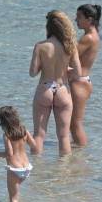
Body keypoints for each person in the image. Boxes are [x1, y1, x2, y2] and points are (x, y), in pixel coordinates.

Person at [29, 10, 81, 155]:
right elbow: (78, 73)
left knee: (39, 135)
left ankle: (36, 169)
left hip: (44, 88)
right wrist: (65, 69)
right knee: (63, 136)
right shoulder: (71, 47)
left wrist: (43, 65)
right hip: (62, 89)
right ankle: (62, 172)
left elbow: (33, 73)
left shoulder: (40, 46)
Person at [0, 106, 36, 202]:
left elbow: (9, 154)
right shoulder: (24, 130)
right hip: (26, 168)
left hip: (15, 169)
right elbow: (34, 145)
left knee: (13, 197)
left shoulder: (7, 135)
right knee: (14, 191)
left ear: (4, 122)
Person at [69, 4, 100, 147]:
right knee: (72, 124)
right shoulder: (91, 35)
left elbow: (69, 56)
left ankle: (80, 157)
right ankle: (78, 155)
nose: (75, 20)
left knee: (75, 125)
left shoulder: (88, 38)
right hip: (81, 81)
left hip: (80, 83)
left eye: (78, 17)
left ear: (89, 20)